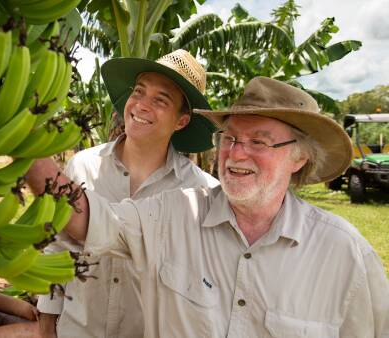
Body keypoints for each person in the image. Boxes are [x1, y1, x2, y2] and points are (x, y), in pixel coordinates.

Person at [27, 76, 389, 337]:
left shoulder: (345, 255)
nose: (236, 153)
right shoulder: (175, 213)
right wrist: (25, 140)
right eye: (229, 137)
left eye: (258, 142)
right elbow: (89, 219)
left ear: (299, 158)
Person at [36, 49, 219, 338]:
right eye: (138, 91)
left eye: (161, 100)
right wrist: (46, 325)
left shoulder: (201, 193)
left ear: (181, 121)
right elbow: (57, 249)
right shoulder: (83, 166)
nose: (141, 105)